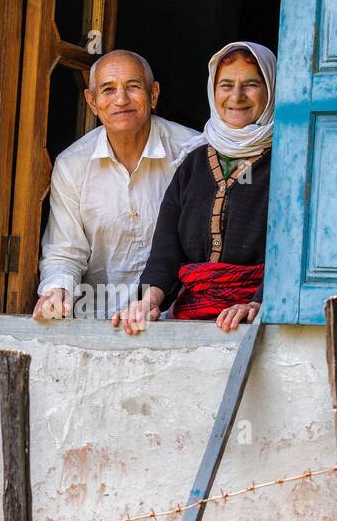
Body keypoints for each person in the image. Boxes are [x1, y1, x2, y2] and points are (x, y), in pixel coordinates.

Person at [113, 41, 275, 334]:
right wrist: (149, 299)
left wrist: (260, 303)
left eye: (250, 84)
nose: (236, 96)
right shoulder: (193, 163)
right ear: (213, 92)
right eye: (226, 85)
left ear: (271, 91)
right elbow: (166, 250)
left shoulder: (288, 163)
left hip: (256, 321)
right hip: (190, 316)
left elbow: (294, 252)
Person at [33, 50, 199, 320]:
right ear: (92, 101)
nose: (121, 100)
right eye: (108, 90)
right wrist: (56, 290)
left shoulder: (192, 153)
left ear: (153, 94)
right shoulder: (73, 164)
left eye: (133, 87)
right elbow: (65, 251)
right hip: (98, 319)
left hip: (176, 317)